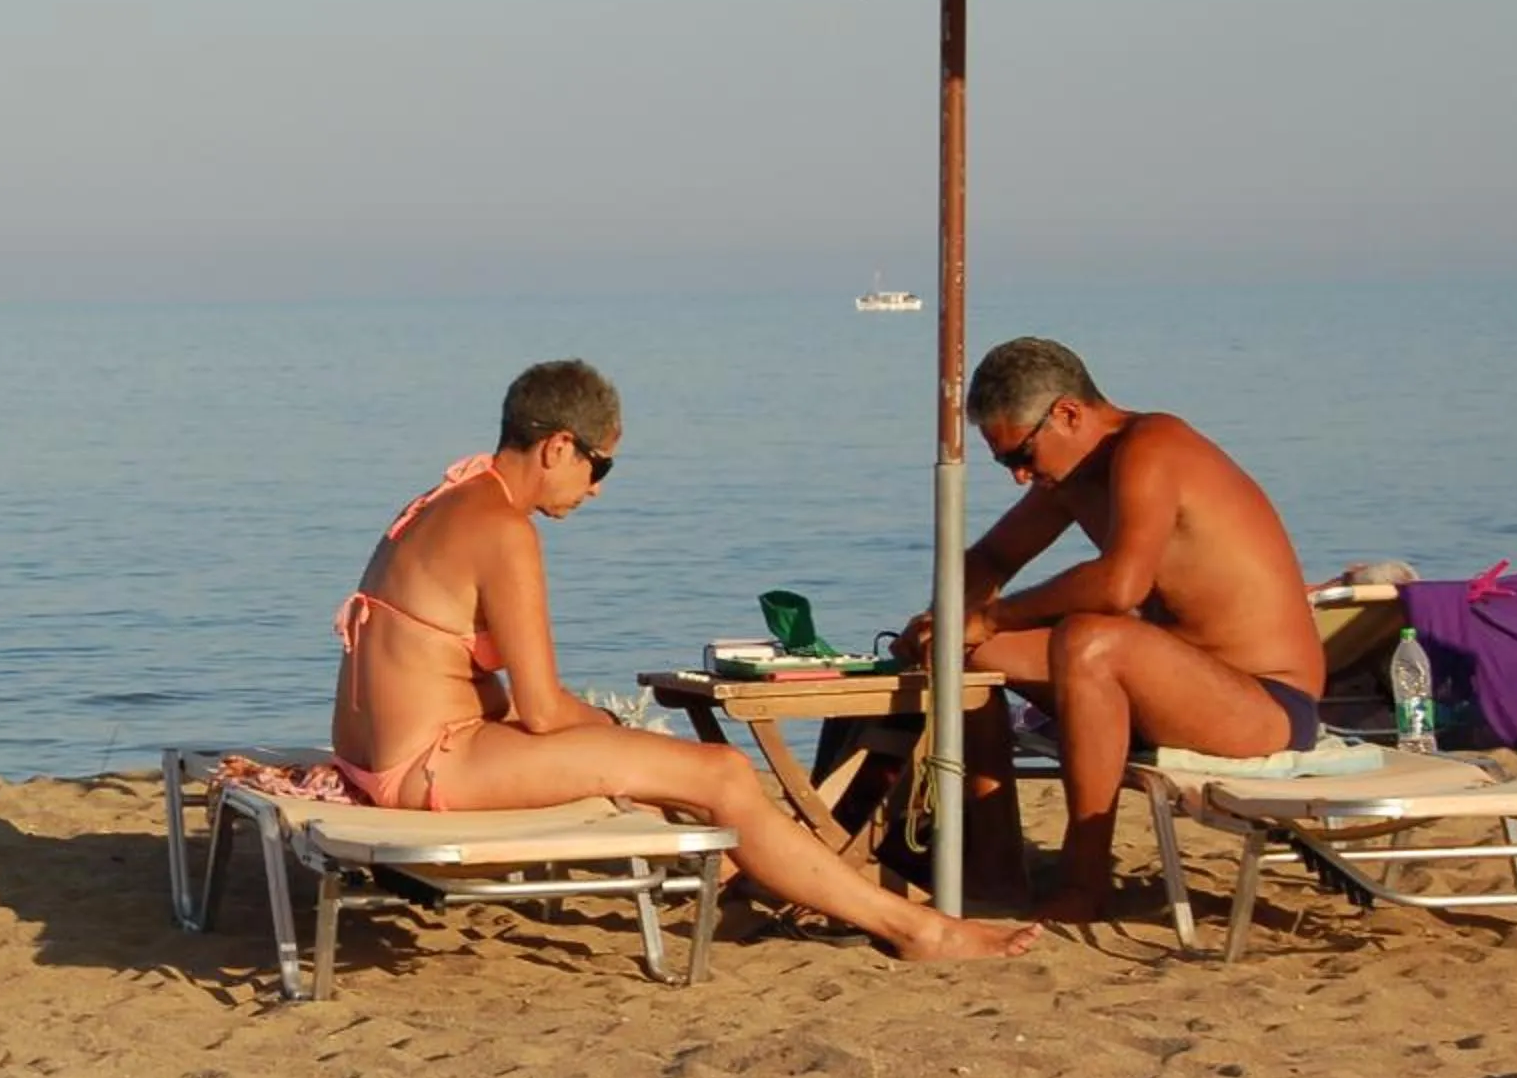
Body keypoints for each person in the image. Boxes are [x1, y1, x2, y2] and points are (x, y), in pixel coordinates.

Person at [333, 360, 1039, 963]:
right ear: (556, 448)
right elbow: (545, 712)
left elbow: (445, 666)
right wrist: (609, 728)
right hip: (429, 765)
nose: (598, 487)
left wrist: (612, 741)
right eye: (598, 465)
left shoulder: (444, 499)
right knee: (723, 772)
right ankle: (915, 928)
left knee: (657, 768)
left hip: (379, 750)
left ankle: (750, 868)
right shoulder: (502, 530)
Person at [899, 338, 1326, 923]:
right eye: (1005, 462)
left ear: (1068, 414)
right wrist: (943, 620)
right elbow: (993, 557)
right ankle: (996, 868)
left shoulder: (1154, 448)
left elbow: (1118, 585)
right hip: (1171, 684)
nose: (1020, 476)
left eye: (1020, 454)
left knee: (1089, 639)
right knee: (964, 654)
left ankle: (1085, 881)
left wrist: (992, 615)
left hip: (1267, 702)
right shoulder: (1071, 477)